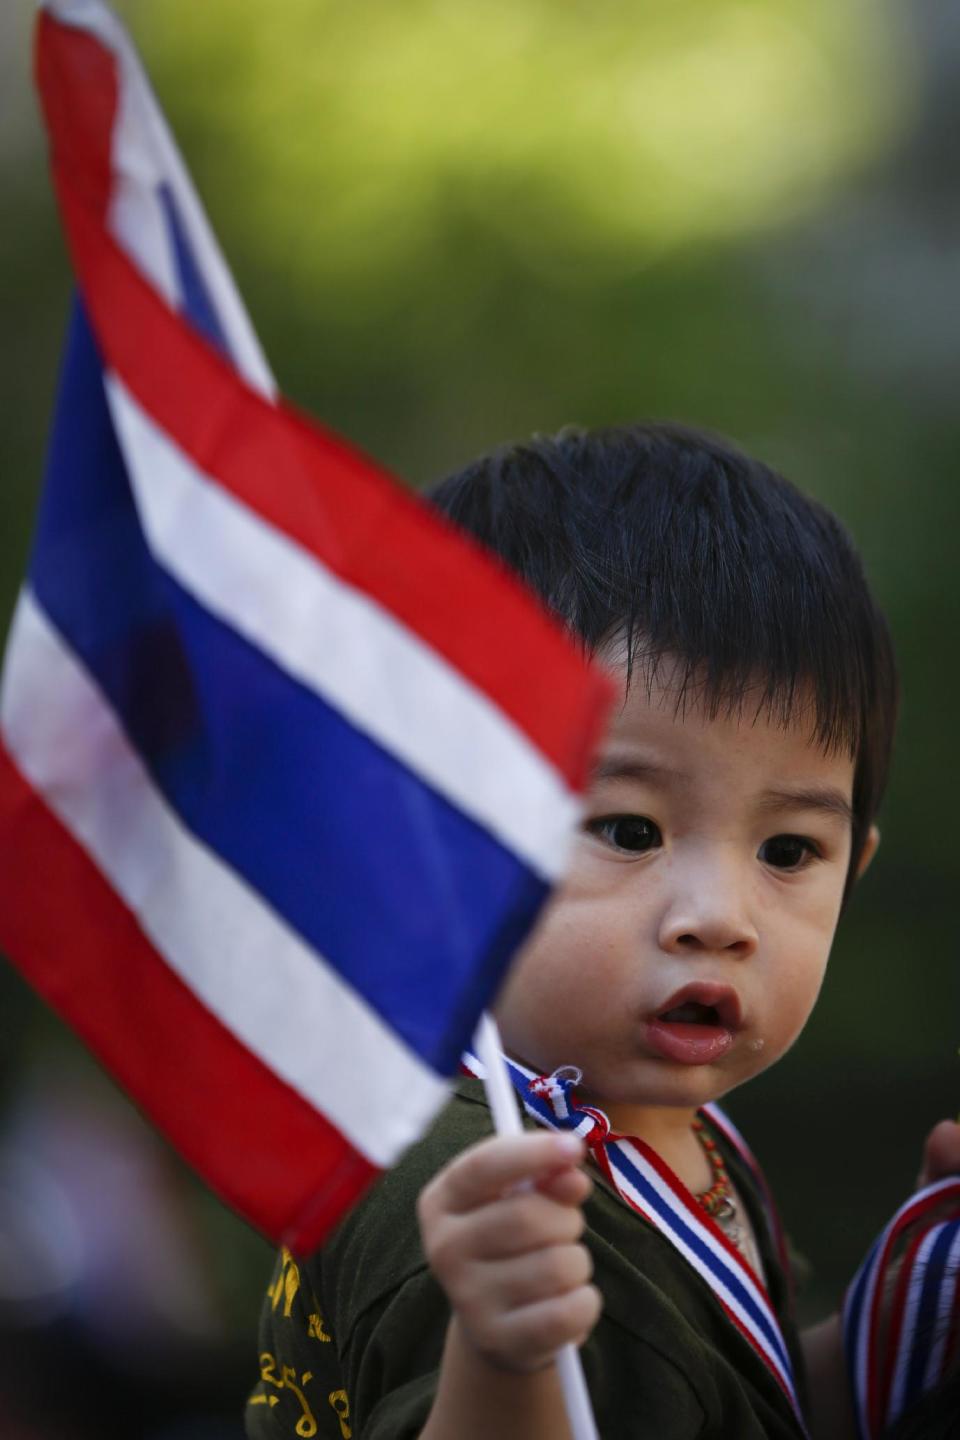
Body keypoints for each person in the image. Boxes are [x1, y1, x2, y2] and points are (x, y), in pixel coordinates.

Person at [245, 424, 959, 1439]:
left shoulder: (676, 1133)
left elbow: (743, 1406)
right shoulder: (449, 1171)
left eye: (791, 852)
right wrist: (506, 1360)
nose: (719, 918)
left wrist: (913, 1311)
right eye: (627, 830)